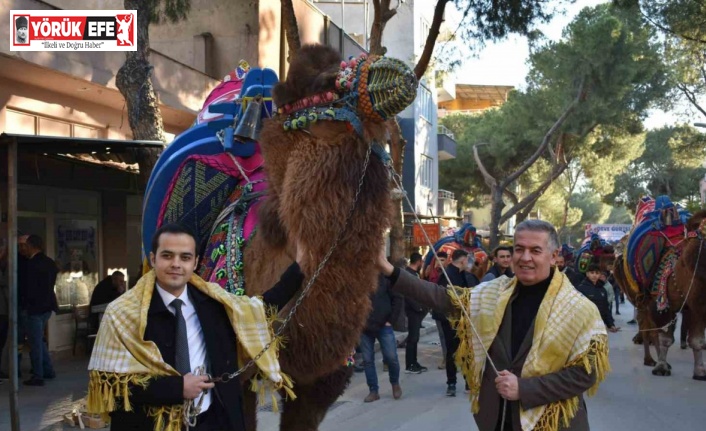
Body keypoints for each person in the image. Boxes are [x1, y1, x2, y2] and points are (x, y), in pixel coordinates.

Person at [377, 220, 610, 431]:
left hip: (554, 424)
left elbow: (586, 374)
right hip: (497, 420)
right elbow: (443, 298)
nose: (525, 257)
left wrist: (524, 388)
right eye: (519, 249)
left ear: (554, 256)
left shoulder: (580, 309)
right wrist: (390, 271)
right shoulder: (492, 294)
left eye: (535, 250)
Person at [87, 224, 302, 431]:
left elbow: (261, 308)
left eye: (185, 257)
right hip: (151, 424)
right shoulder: (121, 314)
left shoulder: (214, 302)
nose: (176, 264)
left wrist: (300, 266)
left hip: (211, 421)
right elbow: (114, 386)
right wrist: (177, 388)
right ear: (153, 259)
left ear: (195, 262)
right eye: (167, 255)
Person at [21, 235, 58, 386]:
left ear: (32, 246)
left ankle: (38, 375)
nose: (25, 249)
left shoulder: (31, 264)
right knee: (39, 341)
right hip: (47, 307)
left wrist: (25, 304)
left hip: (35, 308)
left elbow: (29, 288)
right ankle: (48, 370)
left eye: (26, 246)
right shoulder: (50, 262)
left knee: (35, 342)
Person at [361, 274, 404, 402]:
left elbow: (397, 298)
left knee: (391, 357)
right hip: (364, 327)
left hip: (384, 325)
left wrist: (391, 320)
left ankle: (395, 383)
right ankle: (373, 391)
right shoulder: (360, 279)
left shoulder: (386, 278)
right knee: (367, 360)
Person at [438, 249, 475, 397]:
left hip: (465, 319)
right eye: (467, 259)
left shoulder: (465, 275)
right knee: (453, 351)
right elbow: (443, 298)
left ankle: (468, 382)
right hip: (450, 320)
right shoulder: (446, 275)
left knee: (466, 350)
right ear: (463, 260)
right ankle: (451, 383)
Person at [575, 264, 620, 333]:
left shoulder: (602, 289)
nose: (594, 275)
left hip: (600, 325)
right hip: (585, 326)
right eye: (592, 273)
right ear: (587, 274)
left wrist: (610, 324)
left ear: (599, 275)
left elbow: (605, 308)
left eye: (597, 273)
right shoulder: (581, 288)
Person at [404, 252, 428, 374]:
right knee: (412, 338)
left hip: (417, 310)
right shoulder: (408, 274)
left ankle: (414, 361)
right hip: (412, 311)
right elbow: (408, 294)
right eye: (421, 262)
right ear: (418, 261)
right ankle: (410, 364)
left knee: (415, 337)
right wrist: (417, 307)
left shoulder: (415, 274)